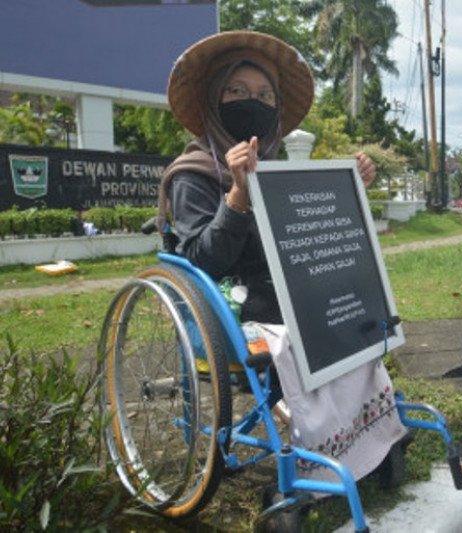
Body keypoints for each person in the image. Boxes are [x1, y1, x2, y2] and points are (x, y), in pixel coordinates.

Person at [157, 30, 406, 483]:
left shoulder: (277, 169)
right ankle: (332, 444)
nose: (252, 101)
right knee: (313, 333)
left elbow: (312, 229)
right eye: (237, 91)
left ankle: (362, 433)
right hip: (229, 307)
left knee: (354, 319)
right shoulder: (190, 175)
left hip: (287, 296)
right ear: (215, 99)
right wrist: (236, 195)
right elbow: (202, 265)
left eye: (264, 94)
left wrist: (352, 185)